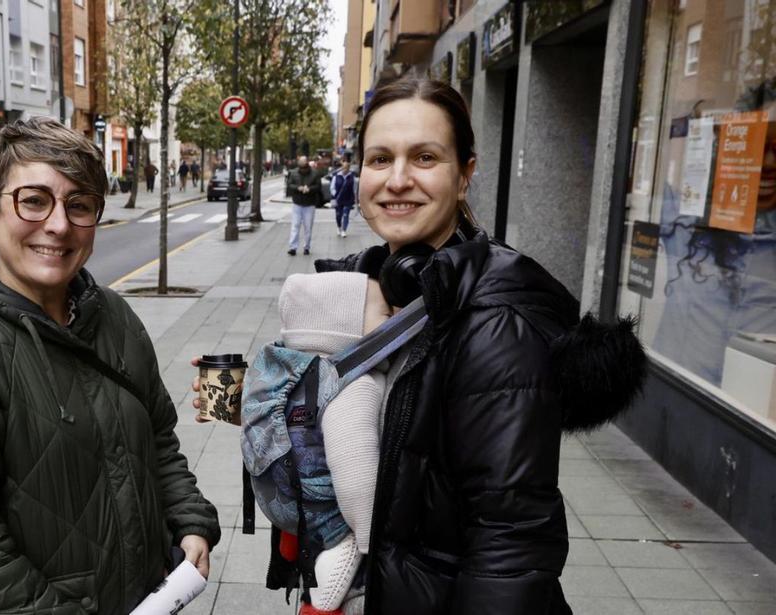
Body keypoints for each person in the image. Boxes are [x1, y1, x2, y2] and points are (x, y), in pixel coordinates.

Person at [204, 79, 646, 614]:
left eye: (425, 157)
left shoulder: (495, 325)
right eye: (379, 158)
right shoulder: (371, 284)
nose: (397, 180)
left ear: (464, 175)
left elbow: (509, 545)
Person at [0, 117, 220, 614]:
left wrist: (189, 518)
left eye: (78, 204)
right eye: (34, 200)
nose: (59, 224)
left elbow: (157, 439)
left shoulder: (114, 317)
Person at [278, 271, 389, 612]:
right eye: (384, 315)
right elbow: (355, 470)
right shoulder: (352, 385)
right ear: (347, 331)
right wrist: (372, 536)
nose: (393, 320)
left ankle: (290, 545)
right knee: (335, 584)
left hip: (295, 499)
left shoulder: (291, 372)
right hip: (336, 514)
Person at [651, 84, 776, 386]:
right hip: (672, 396)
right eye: (759, 144)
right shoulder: (687, 221)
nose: (769, 163)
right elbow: (659, 179)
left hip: (747, 413)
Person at [286, 155, 319, 255]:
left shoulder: (314, 173)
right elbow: (290, 185)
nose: (303, 169)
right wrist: (298, 188)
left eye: (304, 166)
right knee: (295, 225)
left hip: (309, 203)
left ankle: (307, 247)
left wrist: (309, 189)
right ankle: (293, 247)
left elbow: (318, 186)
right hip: (297, 203)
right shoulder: (294, 173)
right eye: (301, 167)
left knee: (308, 227)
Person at [331, 160, 358, 237]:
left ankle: (344, 230)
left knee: (346, 214)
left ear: (348, 168)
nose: (344, 169)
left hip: (348, 199)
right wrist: (335, 195)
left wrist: (355, 198)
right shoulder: (336, 176)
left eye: (346, 168)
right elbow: (332, 187)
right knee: (338, 215)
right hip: (338, 199)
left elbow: (354, 188)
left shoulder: (352, 177)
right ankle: (339, 227)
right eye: (343, 168)